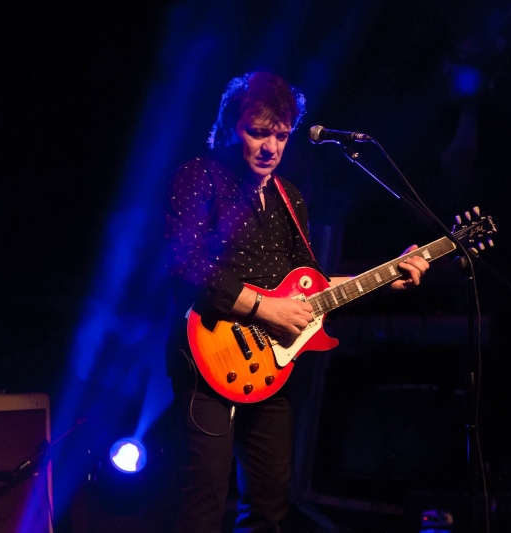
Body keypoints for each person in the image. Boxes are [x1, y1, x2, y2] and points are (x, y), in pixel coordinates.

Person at [164, 71, 429, 533]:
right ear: (230, 127)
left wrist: (389, 277)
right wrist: (263, 308)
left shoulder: (290, 197)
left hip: (271, 363)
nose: (270, 146)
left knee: (271, 502)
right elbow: (183, 265)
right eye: (258, 132)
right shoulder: (198, 177)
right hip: (207, 356)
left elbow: (311, 288)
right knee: (204, 499)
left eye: (281, 135)